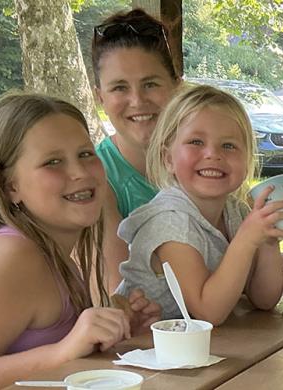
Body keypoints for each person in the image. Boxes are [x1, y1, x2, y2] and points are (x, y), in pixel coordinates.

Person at [0, 94, 161, 389]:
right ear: (10, 186)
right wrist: (62, 350)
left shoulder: (55, 255)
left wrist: (112, 332)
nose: (79, 172)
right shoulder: (13, 257)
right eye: (53, 162)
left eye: (86, 154)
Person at [115, 85, 283, 325]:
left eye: (229, 145)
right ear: (168, 159)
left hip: (202, 349)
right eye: (196, 142)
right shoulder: (169, 222)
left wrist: (269, 241)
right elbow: (208, 311)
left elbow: (263, 299)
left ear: (247, 160)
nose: (212, 154)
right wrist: (247, 239)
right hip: (140, 348)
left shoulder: (235, 213)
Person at [91, 9, 182, 290]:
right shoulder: (94, 178)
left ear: (176, 88)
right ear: (100, 97)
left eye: (150, 84)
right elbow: (120, 293)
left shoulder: (204, 159)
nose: (137, 100)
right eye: (119, 87)